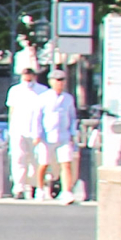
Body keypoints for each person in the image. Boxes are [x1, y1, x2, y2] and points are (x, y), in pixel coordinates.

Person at [4, 65, 51, 199]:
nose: (27, 78)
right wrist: (11, 128)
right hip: (18, 128)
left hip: (37, 130)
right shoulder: (15, 90)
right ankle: (19, 187)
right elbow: (11, 110)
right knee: (19, 158)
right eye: (25, 75)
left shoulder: (43, 91)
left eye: (29, 75)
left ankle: (34, 186)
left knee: (36, 159)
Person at [37, 70, 81, 203]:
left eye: (62, 80)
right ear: (51, 82)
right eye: (57, 80)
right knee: (44, 163)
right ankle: (40, 189)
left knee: (66, 163)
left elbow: (72, 117)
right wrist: (37, 134)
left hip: (63, 135)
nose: (59, 83)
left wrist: (73, 133)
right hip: (47, 136)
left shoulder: (68, 98)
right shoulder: (43, 98)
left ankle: (67, 191)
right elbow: (37, 118)